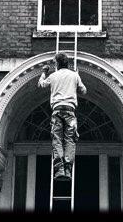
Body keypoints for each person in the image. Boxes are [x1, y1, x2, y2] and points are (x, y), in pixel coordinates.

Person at [38, 52, 87, 180]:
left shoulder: (53, 76)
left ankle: (60, 169)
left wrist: (44, 72)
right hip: (70, 111)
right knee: (70, 139)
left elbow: (41, 84)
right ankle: (68, 169)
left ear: (57, 64)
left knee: (57, 139)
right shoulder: (74, 75)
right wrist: (77, 79)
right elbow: (84, 90)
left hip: (57, 111)